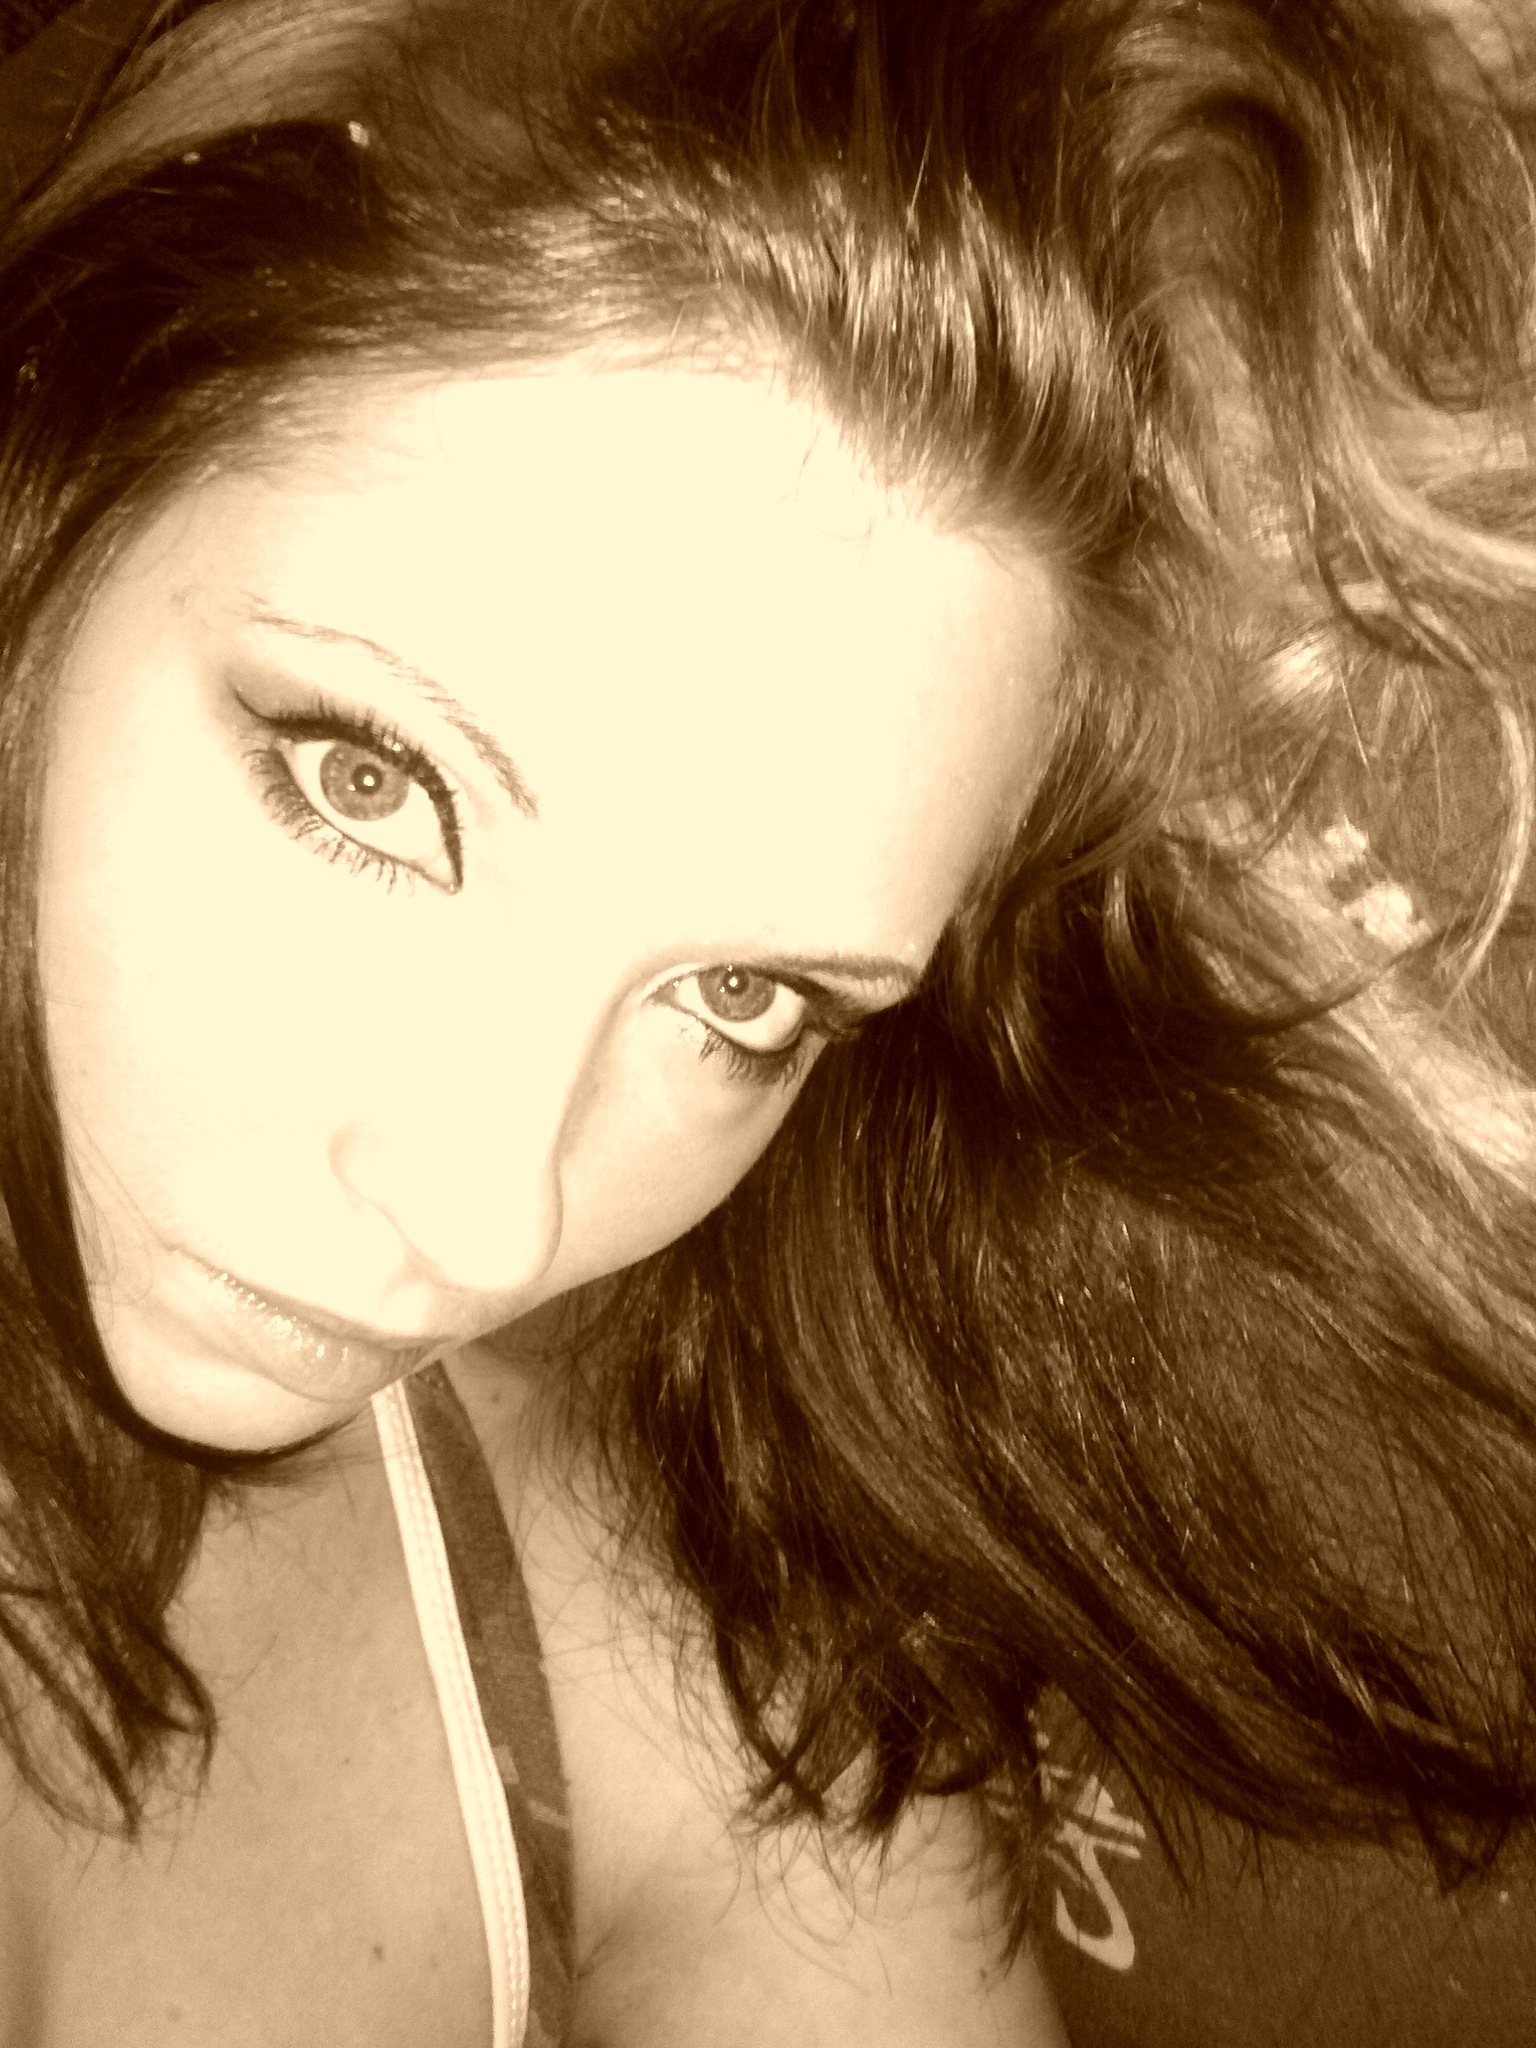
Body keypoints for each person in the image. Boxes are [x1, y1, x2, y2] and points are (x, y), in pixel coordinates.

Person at [2, 0, 1536, 2040]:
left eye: (743, 998)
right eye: (371, 784)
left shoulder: (659, 1662)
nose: (487, 1220)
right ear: (68, 469)